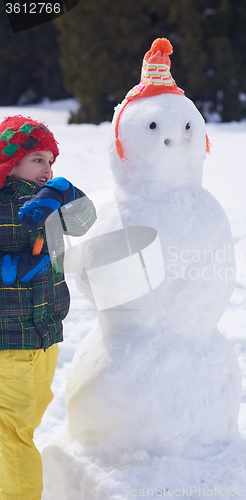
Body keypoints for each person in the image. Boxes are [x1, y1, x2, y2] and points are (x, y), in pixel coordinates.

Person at [0, 115, 96, 500]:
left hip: (45, 334)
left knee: (29, 418)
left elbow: (88, 220)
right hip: (8, 338)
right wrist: (7, 269)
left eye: (51, 160)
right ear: (11, 162)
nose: (48, 167)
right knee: (12, 430)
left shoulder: (52, 201)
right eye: (37, 159)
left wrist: (62, 189)